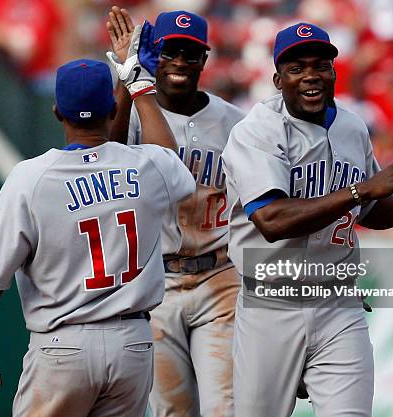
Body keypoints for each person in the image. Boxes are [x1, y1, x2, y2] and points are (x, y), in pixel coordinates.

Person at [0, 56, 196, 417]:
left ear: (58, 111)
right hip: (133, 346)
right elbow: (168, 158)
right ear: (111, 108)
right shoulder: (147, 166)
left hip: (64, 347)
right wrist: (138, 86)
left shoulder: (31, 178)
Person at [221, 22, 393, 417]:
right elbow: (271, 220)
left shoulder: (352, 127)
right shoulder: (258, 131)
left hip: (338, 300)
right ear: (277, 78)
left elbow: (368, 210)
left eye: (320, 65)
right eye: (297, 68)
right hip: (271, 302)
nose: (310, 76)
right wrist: (363, 190)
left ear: (335, 72)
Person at [106, 7, 245, 417]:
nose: (179, 62)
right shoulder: (132, 115)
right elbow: (108, 157)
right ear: (154, 54)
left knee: (228, 407)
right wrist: (128, 76)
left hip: (221, 277)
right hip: (156, 282)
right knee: (172, 410)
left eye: (190, 53)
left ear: (204, 59)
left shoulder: (235, 123)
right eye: (169, 52)